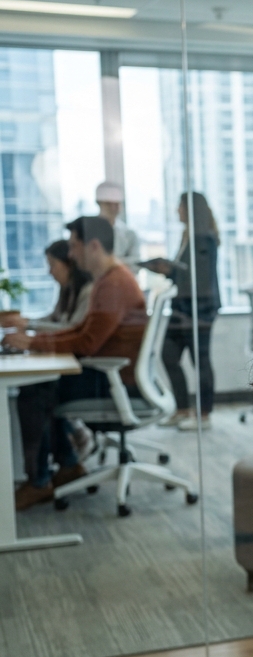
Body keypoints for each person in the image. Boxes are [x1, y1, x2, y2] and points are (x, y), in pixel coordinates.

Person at [10, 217, 146, 509]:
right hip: (109, 375)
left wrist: (34, 343)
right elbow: (82, 331)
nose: (70, 255)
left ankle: (39, 482)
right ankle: (68, 465)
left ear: (93, 246)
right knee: (41, 385)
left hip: (114, 382)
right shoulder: (108, 280)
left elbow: (86, 344)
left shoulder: (113, 284)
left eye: (74, 246)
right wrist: (34, 341)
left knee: (34, 393)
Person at [145, 193, 221, 431]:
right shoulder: (189, 237)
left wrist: (171, 270)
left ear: (190, 209)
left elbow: (200, 281)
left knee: (201, 361)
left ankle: (204, 415)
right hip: (182, 309)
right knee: (169, 356)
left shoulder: (203, 239)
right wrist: (167, 270)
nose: (177, 211)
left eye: (179, 206)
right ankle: (182, 409)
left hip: (198, 310)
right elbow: (188, 275)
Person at [95, 181, 141, 266]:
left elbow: (136, 263)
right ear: (99, 203)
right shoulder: (86, 232)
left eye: (116, 204)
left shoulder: (129, 234)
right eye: (108, 203)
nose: (113, 208)